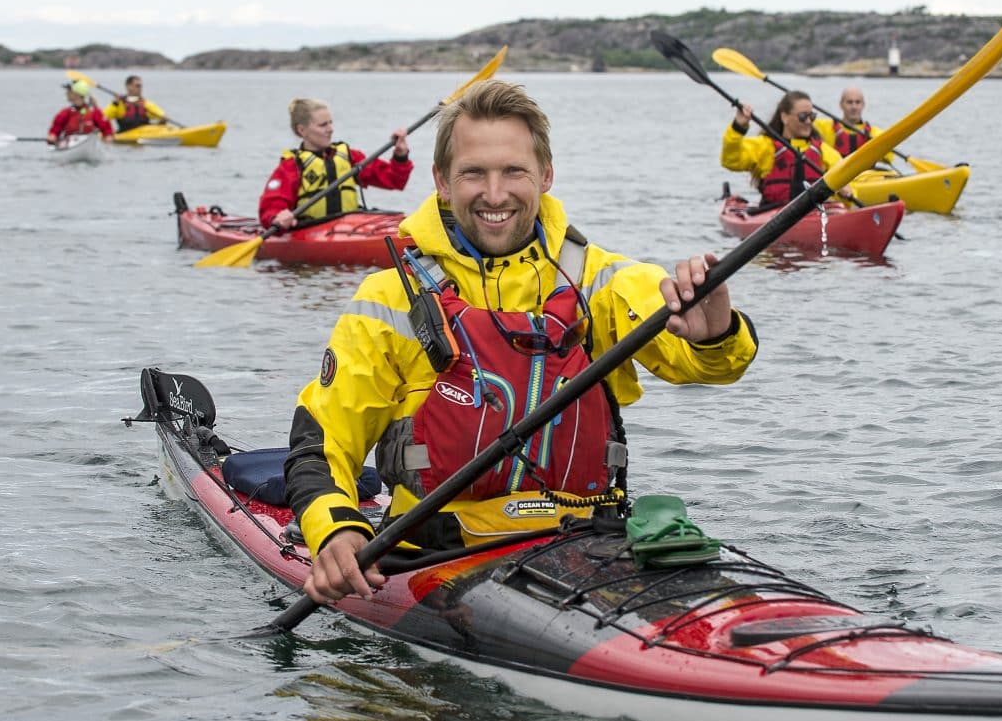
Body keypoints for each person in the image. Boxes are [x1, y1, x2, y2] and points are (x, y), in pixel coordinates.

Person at [285, 80, 759, 604]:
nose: (494, 193)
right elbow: (325, 436)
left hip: (585, 547)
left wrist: (714, 333)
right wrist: (334, 529)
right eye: (473, 173)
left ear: (546, 176)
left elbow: (706, 364)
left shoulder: (599, 279)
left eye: (514, 171)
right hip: (431, 558)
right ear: (442, 181)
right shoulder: (389, 297)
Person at [259, 97, 413, 230]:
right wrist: (277, 217)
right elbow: (270, 208)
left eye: (330, 123)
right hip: (310, 230)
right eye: (323, 125)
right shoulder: (290, 167)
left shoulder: (350, 157)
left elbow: (395, 180)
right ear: (302, 130)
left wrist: (400, 156)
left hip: (350, 227)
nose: (330, 129)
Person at [719, 91, 833, 209]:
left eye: (812, 116)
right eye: (803, 116)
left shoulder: (824, 151)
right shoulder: (765, 146)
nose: (809, 121)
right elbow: (730, 161)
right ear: (784, 117)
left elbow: (851, 180)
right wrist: (738, 127)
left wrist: (847, 189)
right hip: (773, 216)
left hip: (816, 214)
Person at [48, 83, 112, 144]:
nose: (66, 93)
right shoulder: (65, 113)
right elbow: (56, 127)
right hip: (70, 142)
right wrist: (53, 135)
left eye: (69, 91)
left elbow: (106, 128)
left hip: (90, 141)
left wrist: (108, 136)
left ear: (77, 94)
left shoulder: (94, 112)